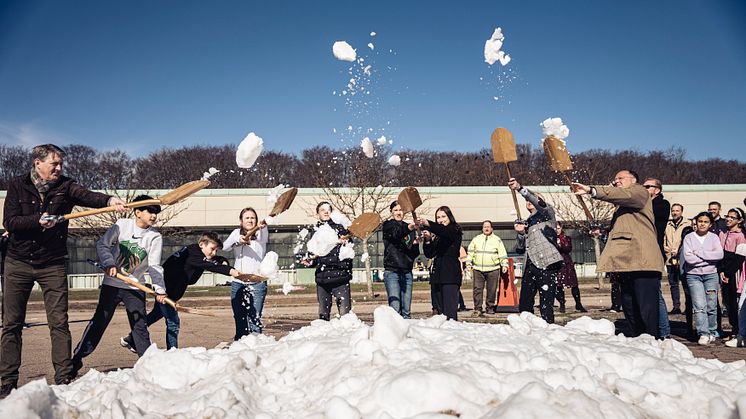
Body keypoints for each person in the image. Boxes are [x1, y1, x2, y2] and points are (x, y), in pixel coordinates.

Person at [1, 144, 126, 398]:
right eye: (54, 164)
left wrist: (110, 200)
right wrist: (37, 219)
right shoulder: (17, 185)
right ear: (38, 163)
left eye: (60, 164)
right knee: (11, 324)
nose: (59, 168)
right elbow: (10, 222)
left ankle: (64, 376)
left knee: (59, 323)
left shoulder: (66, 186)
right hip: (18, 262)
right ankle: (7, 381)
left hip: (53, 263)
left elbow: (88, 196)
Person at [71, 196, 167, 376]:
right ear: (137, 212)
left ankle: (148, 368)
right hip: (112, 284)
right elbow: (102, 245)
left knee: (140, 326)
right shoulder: (122, 225)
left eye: (156, 212)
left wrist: (159, 289)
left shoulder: (155, 236)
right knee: (99, 322)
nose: (154, 216)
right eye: (150, 211)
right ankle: (74, 362)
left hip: (136, 287)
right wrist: (109, 263)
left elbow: (154, 265)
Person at [573, 170, 664, 338]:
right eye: (614, 179)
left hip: (643, 262)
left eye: (620, 178)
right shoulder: (621, 207)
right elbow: (625, 228)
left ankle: (653, 340)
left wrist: (591, 190)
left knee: (647, 309)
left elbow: (623, 195)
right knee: (630, 307)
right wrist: (604, 232)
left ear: (633, 180)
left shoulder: (639, 192)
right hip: (626, 263)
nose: (616, 182)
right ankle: (638, 340)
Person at [120, 232, 242, 352]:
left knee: (155, 314)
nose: (214, 253)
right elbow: (209, 265)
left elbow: (209, 260)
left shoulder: (194, 251)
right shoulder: (194, 255)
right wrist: (230, 270)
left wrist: (221, 259)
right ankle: (172, 352)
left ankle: (130, 338)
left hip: (171, 288)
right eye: (212, 249)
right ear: (201, 244)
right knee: (173, 322)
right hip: (167, 290)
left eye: (216, 250)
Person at [509, 178, 563, 324]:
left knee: (546, 303)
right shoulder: (527, 221)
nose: (529, 201)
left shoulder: (548, 214)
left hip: (547, 263)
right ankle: (526, 327)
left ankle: (549, 328)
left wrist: (520, 188)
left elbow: (538, 202)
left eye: (532, 199)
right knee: (525, 302)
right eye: (527, 200)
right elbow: (520, 248)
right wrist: (521, 233)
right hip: (530, 264)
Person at [301, 202, 353, 320]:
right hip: (322, 279)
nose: (326, 212)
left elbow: (348, 252)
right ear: (317, 214)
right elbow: (315, 253)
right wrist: (310, 261)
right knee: (323, 315)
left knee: (346, 316)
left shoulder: (341, 228)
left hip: (340, 277)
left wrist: (344, 243)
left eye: (328, 209)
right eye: (322, 210)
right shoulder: (316, 232)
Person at [224, 208, 270, 338]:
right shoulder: (235, 233)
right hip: (238, 282)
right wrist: (238, 240)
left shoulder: (261, 232)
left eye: (253, 218)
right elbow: (225, 247)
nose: (250, 220)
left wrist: (262, 226)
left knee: (254, 318)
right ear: (241, 221)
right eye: (247, 218)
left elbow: (264, 228)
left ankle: (256, 345)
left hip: (257, 282)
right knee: (239, 317)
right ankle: (240, 344)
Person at [682, 212, 724, 345]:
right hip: (693, 276)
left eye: (706, 222)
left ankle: (712, 331)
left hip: (711, 275)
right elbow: (689, 258)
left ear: (710, 224)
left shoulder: (714, 237)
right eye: (700, 221)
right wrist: (709, 259)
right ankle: (703, 333)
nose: (702, 224)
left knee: (711, 305)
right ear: (696, 222)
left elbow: (719, 255)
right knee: (699, 305)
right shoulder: (689, 237)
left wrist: (699, 253)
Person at [417, 206, 463, 320]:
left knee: (449, 312)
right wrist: (427, 240)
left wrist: (428, 223)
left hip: (450, 275)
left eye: (443, 216)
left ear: (449, 217)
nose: (440, 219)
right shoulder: (438, 236)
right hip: (437, 275)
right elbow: (430, 253)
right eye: (438, 217)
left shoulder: (454, 229)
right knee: (439, 312)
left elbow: (444, 231)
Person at [642, 177, 671, 338]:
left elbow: (648, 214)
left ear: (657, 190)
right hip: (643, 251)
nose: (644, 188)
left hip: (654, 252)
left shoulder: (662, 204)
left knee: (654, 292)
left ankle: (664, 331)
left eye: (647, 186)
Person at [382, 201, 419, 319]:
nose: (398, 212)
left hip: (407, 271)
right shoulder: (388, 225)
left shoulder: (410, 229)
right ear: (391, 212)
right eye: (396, 210)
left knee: (406, 310)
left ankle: (407, 335)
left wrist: (415, 244)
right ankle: (394, 335)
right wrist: (409, 227)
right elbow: (396, 234)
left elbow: (414, 254)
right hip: (392, 271)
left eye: (401, 210)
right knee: (395, 309)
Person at [467, 220, 508, 316]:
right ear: (482, 228)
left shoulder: (497, 240)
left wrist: (504, 265)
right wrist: (468, 263)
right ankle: (477, 308)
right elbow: (470, 252)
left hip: (493, 269)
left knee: (492, 290)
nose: (486, 228)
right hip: (478, 269)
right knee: (477, 289)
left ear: (492, 228)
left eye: (488, 226)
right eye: (484, 226)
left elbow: (502, 254)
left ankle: (490, 307)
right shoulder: (476, 239)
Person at [718, 208, 746, 337]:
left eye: (732, 217)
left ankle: (737, 330)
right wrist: (721, 271)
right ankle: (733, 328)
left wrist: (728, 273)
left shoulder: (740, 236)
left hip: (734, 273)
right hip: (723, 271)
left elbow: (739, 258)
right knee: (727, 302)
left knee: (735, 302)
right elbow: (719, 254)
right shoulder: (723, 233)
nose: (728, 219)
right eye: (727, 216)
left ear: (739, 220)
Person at [663, 203, 691, 315]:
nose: (675, 213)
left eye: (677, 211)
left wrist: (680, 251)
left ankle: (689, 306)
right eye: (673, 210)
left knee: (686, 283)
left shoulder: (688, 224)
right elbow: (664, 238)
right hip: (670, 259)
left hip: (683, 258)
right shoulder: (668, 224)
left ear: (681, 212)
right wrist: (664, 247)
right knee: (673, 284)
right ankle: (676, 306)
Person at [555, 222, 586, 313]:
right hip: (556, 263)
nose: (557, 230)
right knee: (558, 285)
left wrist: (560, 244)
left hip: (566, 262)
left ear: (561, 228)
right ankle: (562, 303)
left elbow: (568, 248)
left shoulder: (566, 238)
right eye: (555, 228)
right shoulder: (551, 238)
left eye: (558, 228)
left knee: (574, 284)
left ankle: (578, 304)